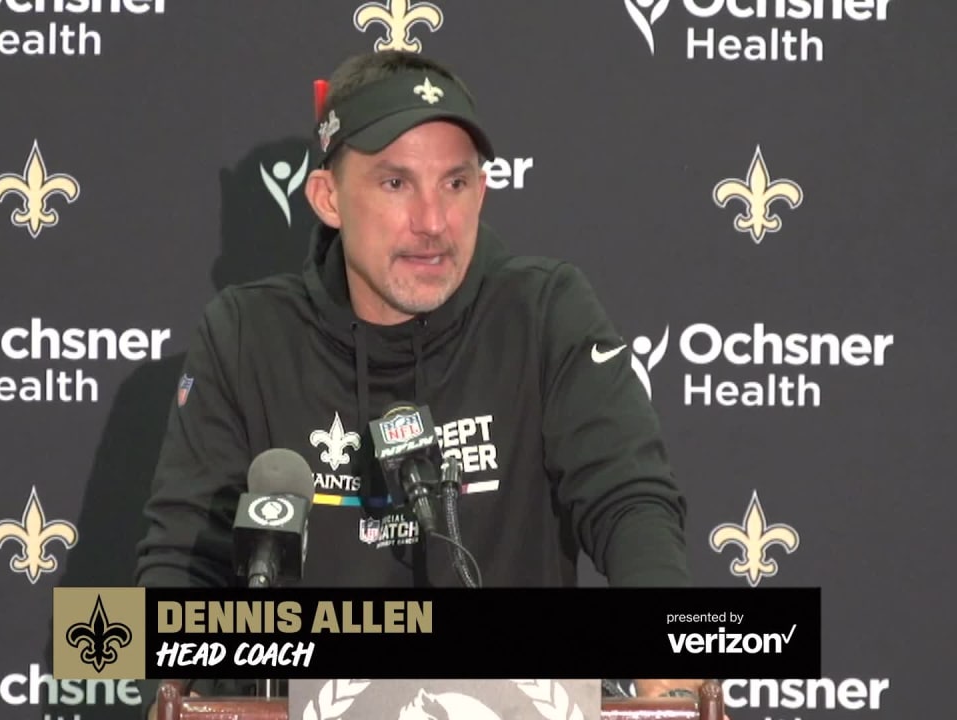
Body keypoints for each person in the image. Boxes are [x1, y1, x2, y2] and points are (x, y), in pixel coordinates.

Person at [134, 49, 709, 718]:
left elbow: (631, 505)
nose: (433, 223)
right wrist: (179, 699)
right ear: (328, 197)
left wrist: (669, 688)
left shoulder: (545, 312)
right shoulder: (246, 335)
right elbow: (182, 561)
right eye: (395, 184)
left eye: (456, 183)